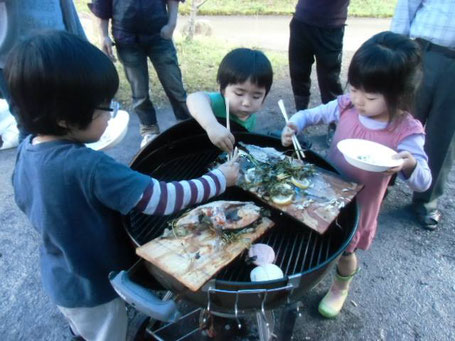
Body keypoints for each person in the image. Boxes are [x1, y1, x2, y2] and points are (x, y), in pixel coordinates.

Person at [4, 31, 239, 341]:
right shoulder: (89, 167)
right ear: (64, 119)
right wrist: (221, 178)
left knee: (83, 328)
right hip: (96, 286)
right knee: (106, 334)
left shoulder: (28, 148)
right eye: (106, 107)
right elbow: (164, 199)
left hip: (60, 270)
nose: (111, 112)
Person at [281, 32, 432, 318]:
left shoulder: (405, 130)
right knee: (313, 233)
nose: (359, 100)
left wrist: (409, 165)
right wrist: (295, 124)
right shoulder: (347, 106)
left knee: (347, 252)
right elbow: (312, 115)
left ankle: (340, 286)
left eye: (370, 96)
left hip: (360, 207)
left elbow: (424, 180)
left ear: (399, 94)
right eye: (354, 88)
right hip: (325, 190)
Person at [90, 0, 190, 148]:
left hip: (160, 35)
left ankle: (186, 125)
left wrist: (172, 24)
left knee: (174, 86)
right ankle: (149, 130)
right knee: (139, 92)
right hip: (126, 39)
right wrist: (103, 35)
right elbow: (101, 6)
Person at [391, 0, 455, 231]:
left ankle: (426, 201)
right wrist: (394, 51)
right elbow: (407, 6)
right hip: (423, 53)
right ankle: (379, 180)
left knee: (444, 136)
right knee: (398, 122)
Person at [0, 0, 86, 142]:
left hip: (59, 49)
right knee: (30, 123)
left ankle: (68, 161)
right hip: (12, 58)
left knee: (68, 117)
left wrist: (80, 41)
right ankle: (31, 162)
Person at [186, 48, 273, 152]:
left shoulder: (250, 116)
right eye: (239, 93)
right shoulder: (218, 102)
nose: (246, 103)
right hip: (200, 149)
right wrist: (211, 125)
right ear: (223, 89)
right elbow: (194, 98)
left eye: (256, 96)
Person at [288, 0, 350, 146]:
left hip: (331, 26)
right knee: (298, 72)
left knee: (329, 79)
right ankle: (299, 117)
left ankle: (335, 125)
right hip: (302, 20)